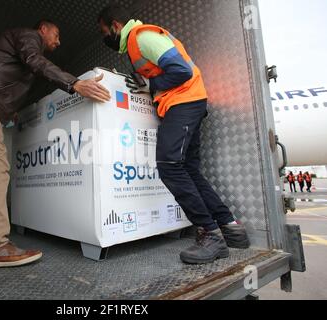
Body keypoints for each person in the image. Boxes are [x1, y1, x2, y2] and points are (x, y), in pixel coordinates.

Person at [0, 20, 111, 269]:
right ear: (43, 29)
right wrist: (74, 83)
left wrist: (8, 110)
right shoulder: (29, 37)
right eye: (57, 33)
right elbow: (35, 61)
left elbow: (11, 78)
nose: (58, 40)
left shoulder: (21, 46)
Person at [98, 5, 250, 265]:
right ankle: (230, 228)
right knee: (189, 169)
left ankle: (211, 235)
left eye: (104, 32)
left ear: (114, 26)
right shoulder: (136, 43)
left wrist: (149, 85)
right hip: (187, 103)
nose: (105, 38)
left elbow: (182, 71)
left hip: (184, 103)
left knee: (169, 165)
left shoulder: (141, 38)